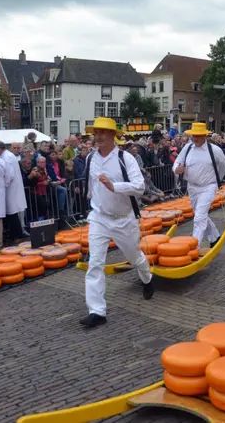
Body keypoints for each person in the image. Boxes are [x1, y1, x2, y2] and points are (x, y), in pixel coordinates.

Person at [80, 117, 154, 328]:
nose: (98, 137)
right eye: (96, 133)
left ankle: (147, 278)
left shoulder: (125, 158)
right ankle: (97, 311)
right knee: (95, 263)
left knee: (134, 256)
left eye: (103, 132)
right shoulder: (91, 158)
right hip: (99, 218)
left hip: (124, 220)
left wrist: (115, 186)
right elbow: (92, 184)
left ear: (113, 135)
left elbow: (139, 187)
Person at [173, 122, 225, 247]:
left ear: (204, 136)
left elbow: (224, 166)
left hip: (208, 187)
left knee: (199, 218)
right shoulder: (187, 148)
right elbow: (178, 162)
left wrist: (216, 180)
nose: (194, 138)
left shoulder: (215, 150)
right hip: (192, 187)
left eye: (197, 135)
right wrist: (176, 169)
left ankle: (194, 246)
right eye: (193, 135)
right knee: (199, 214)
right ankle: (214, 237)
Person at [0, 141, 27, 241]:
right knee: (12, 211)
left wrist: (4, 185)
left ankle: (16, 234)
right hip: (14, 186)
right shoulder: (10, 155)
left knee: (11, 212)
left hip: (10, 187)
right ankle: (16, 233)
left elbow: (10, 174)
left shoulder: (6, 157)